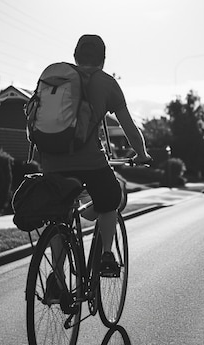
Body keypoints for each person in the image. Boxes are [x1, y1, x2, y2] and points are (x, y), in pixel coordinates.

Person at [39, 34, 152, 277]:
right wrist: (142, 154)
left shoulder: (55, 79)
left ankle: (56, 277)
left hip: (51, 162)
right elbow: (129, 128)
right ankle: (106, 256)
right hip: (90, 161)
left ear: (75, 56)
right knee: (112, 196)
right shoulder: (106, 83)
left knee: (59, 217)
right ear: (102, 59)